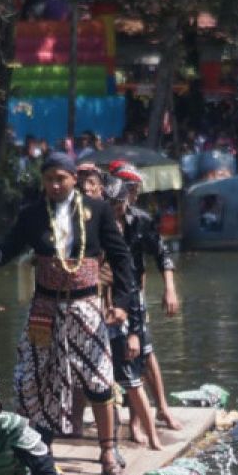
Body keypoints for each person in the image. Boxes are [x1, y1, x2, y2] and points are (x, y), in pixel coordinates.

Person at [0, 152, 140, 475]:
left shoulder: (98, 211)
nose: (55, 185)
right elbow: (5, 250)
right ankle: (38, 449)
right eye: (49, 179)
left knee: (99, 378)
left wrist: (121, 302)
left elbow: (122, 259)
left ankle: (107, 450)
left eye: (61, 178)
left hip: (86, 307)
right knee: (32, 376)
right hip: (44, 311)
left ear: (74, 178)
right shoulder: (32, 215)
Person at [111, 165, 183, 432]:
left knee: (144, 350)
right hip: (107, 294)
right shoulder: (101, 217)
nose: (135, 195)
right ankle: (132, 417)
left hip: (133, 294)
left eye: (135, 190)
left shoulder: (140, 219)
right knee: (118, 353)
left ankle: (161, 409)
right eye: (131, 189)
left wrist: (170, 288)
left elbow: (162, 254)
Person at [101, 174, 161, 450]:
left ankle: (152, 436)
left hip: (120, 318)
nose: (114, 212)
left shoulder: (132, 228)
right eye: (109, 206)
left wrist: (135, 332)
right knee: (97, 382)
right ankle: (107, 443)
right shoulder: (93, 234)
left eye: (118, 206)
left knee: (133, 380)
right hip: (94, 315)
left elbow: (132, 288)